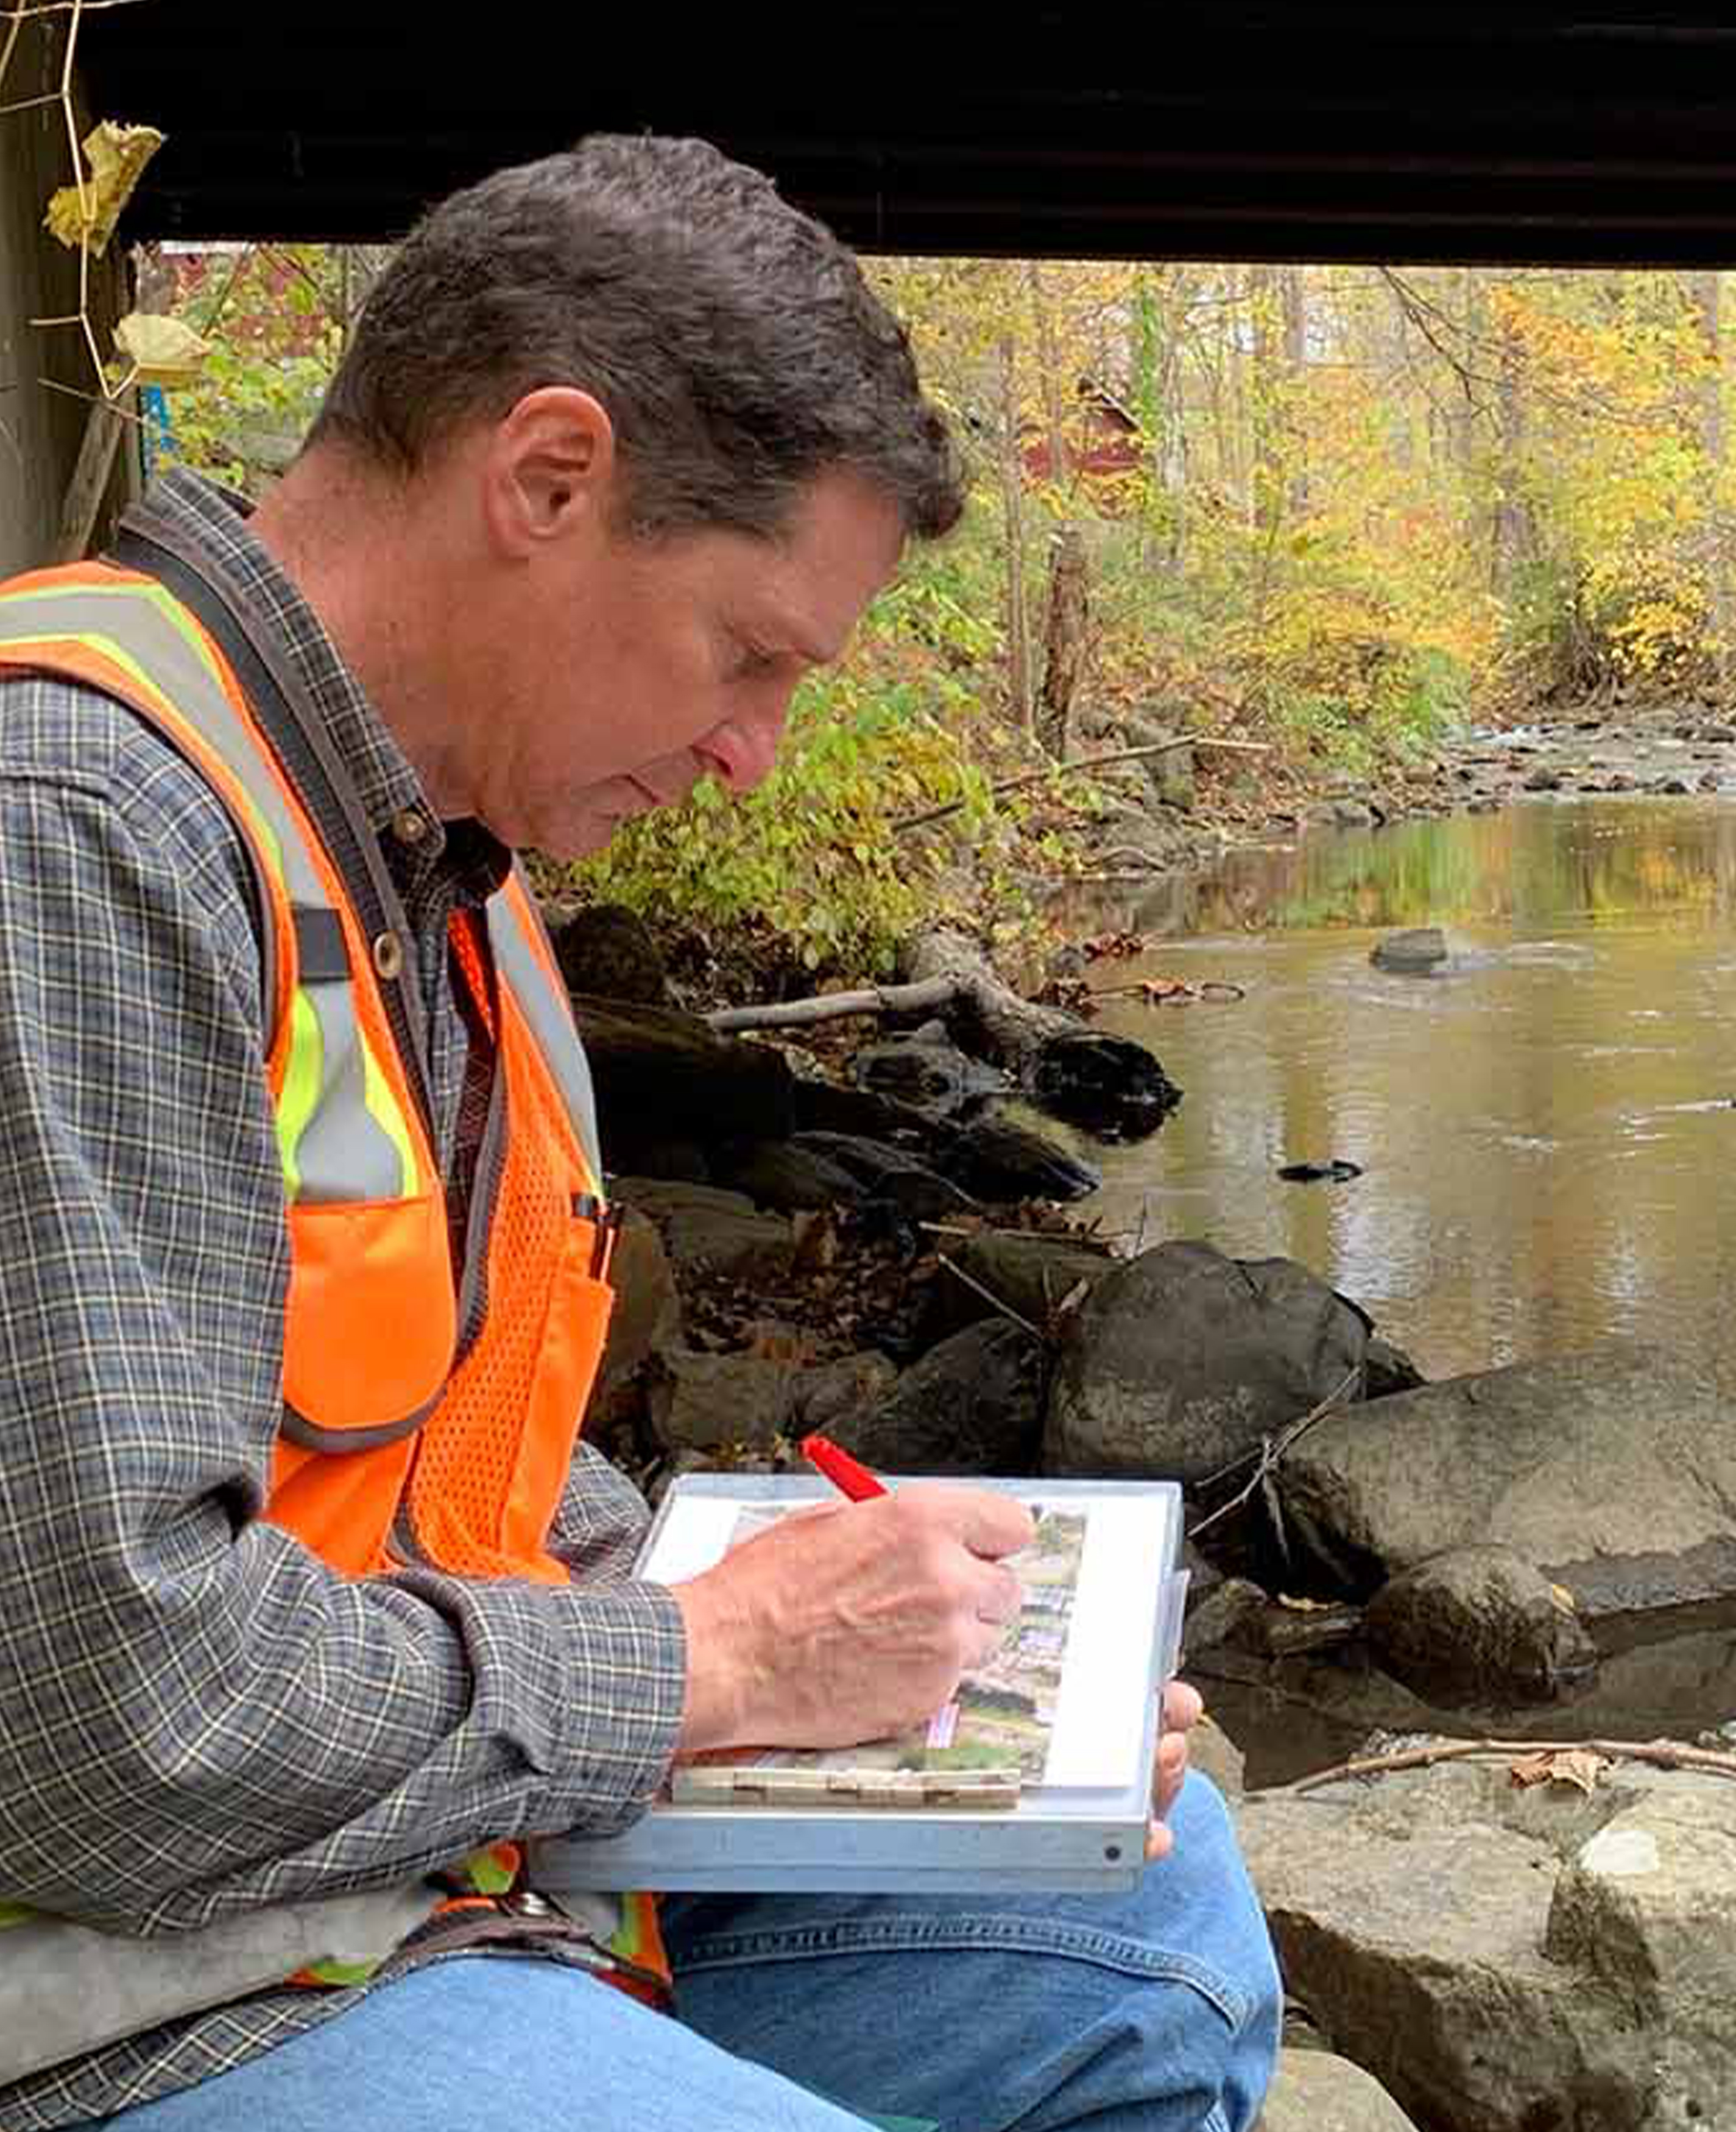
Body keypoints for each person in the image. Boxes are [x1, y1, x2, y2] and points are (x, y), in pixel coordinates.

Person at [0, 134, 1280, 2132]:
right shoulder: (81, 824)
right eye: (747, 652)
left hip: (397, 1869)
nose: (754, 751)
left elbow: (437, 1458)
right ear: (546, 476)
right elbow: (103, 1725)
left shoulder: (448, 870)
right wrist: (714, 1661)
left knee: (1155, 1923)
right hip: (122, 1991)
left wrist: (949, 1667)